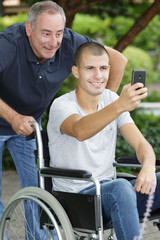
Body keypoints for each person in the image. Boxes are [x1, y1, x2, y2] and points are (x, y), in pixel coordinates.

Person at [0, 0, 127, 221]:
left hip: (30, 124)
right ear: (29, 29)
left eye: (58, 33)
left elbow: (117, 59)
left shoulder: (69, 42)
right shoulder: (9, 44)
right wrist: (12, 116)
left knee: (39, 190)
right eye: (46, 33)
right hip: (10, 116)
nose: (53, 42)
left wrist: (102, 108)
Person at [47, 42, 160, 240]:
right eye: (90, 68)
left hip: (112, 195)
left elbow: (142, 145)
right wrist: (119, 106)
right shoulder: (61, 105)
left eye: (103, 68)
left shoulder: (110, 99)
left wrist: (149, 166)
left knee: (124, 186)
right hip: (77, 199)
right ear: (76, 71)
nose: (98, 76)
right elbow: (80, 130)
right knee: (121, 187)